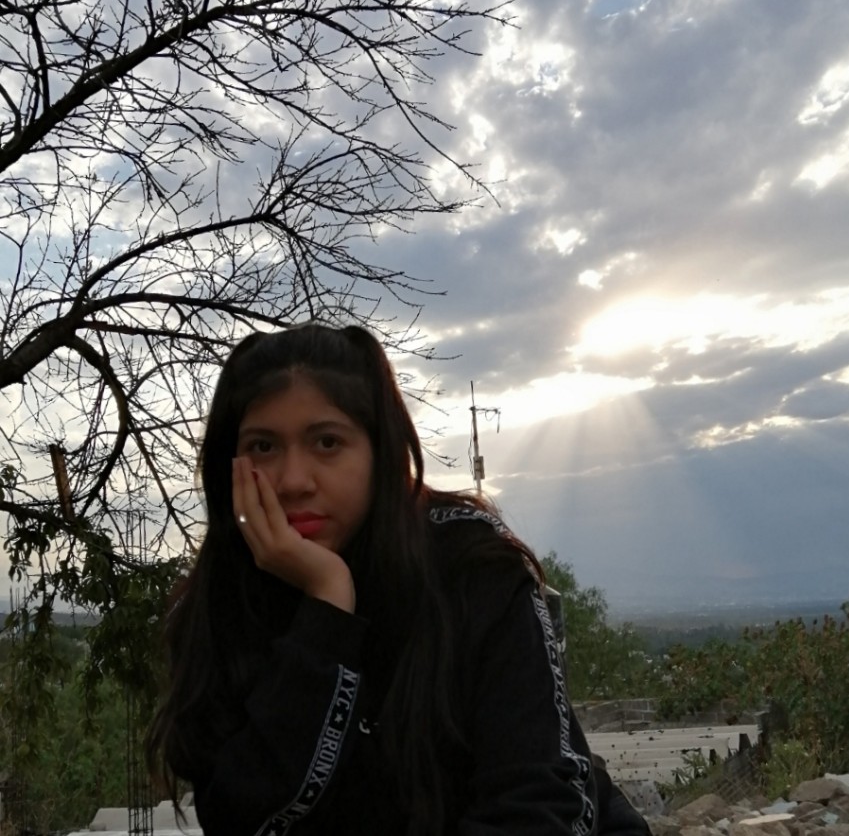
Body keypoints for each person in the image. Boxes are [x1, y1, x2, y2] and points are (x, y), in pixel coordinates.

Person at [146, 323, 651, 836]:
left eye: (327, 442)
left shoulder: (472, 569)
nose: (293, 481)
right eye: (263, 446)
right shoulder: (220, 603)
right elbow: (240, 817)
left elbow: (538, 803)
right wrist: (326, 611)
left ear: (379, 452)